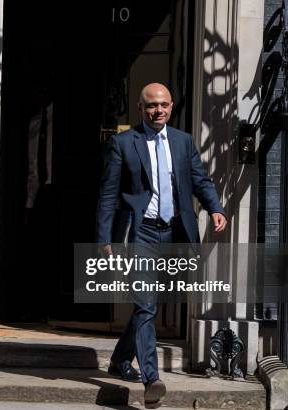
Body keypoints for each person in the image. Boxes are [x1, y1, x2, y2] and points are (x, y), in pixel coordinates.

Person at [96, 83, 227, 407]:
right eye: (152, 105)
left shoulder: (183, 142)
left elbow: (200, 180)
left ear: (171, 107)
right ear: (141, 108)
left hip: (174, 233)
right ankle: (151, 379)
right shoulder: (123, 143)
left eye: (164, 105)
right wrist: (104, 239)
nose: (159, 111)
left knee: (148, 305)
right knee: (146, 304)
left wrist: (216, 209)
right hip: (140, 233)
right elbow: (109, 195)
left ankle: (119, 360)